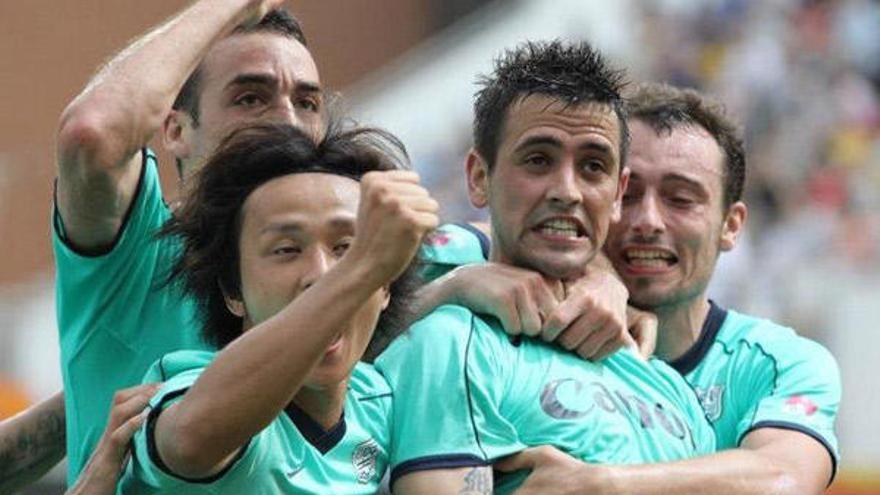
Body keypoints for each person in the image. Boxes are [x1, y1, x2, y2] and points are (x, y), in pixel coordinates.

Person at [425, 82, 842, 495]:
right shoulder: (476, 260)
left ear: (731, 225)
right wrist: (454, 286)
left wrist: (603, 484)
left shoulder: (778, 362)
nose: (648, 221)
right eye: (631, 194)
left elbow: (784, 478)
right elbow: (369, 296)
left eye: (681, 199)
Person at [374, 41, 716, 495]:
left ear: (617, 193)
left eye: (593, 167)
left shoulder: (670, 387)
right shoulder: (449, 342)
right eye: (538, 160)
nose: (567, 191)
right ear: (479, 177)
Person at [53, 0, 320, 483]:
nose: (288, 122)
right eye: (250, 98)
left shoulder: (351, 262)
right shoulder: (138, 251)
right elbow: (92, 132)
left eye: (307, 102)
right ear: (176, 130)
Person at [116, 122, 438, 493]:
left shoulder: (383, 401)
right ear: (232, 289)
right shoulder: (186, 388)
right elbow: (191, 438)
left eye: (345, 247)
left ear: (386, 287)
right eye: (287, 250)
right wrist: (359, 269)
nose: (320, 275)